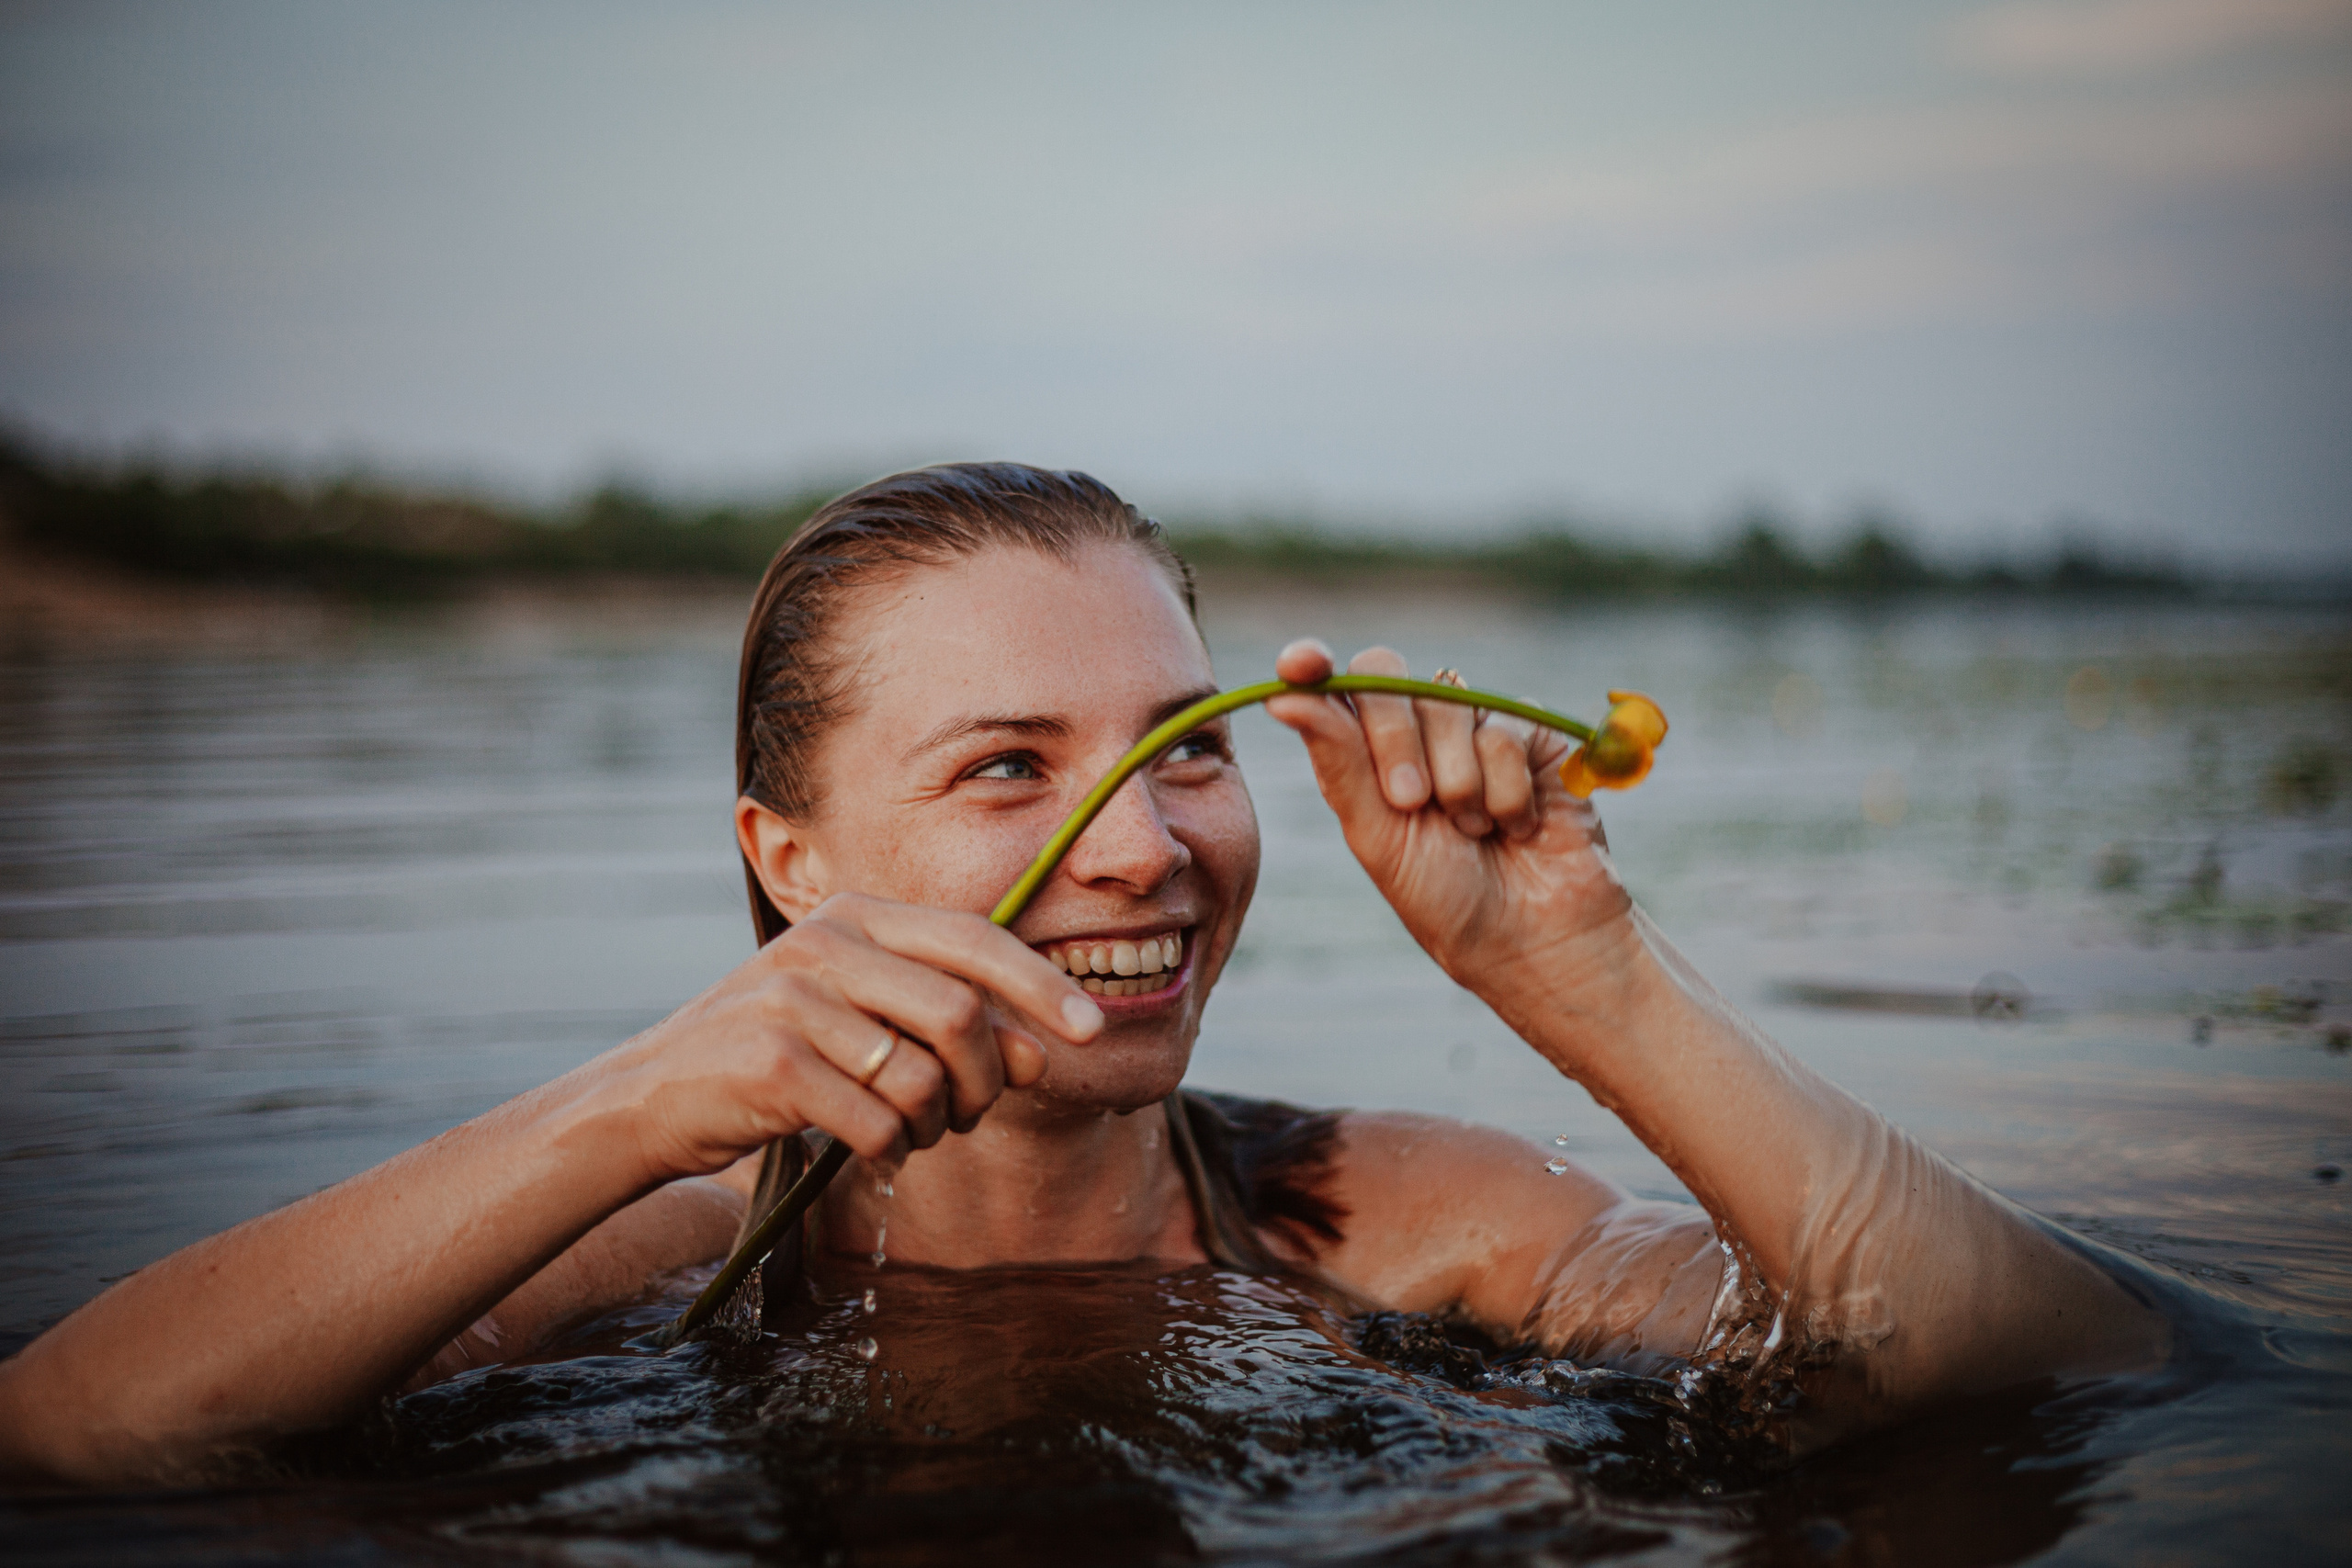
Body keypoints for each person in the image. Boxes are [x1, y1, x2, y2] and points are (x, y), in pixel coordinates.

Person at [0, 463, 2166, 1486]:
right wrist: (636, 1101)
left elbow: (2027, 1362)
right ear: (790, 859)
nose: (1143, 835)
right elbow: (80, 1433)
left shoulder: (1402, 1216)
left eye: (1183, 746)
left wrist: (1583, 980)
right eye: (1007, 767)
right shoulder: (644, 1255)